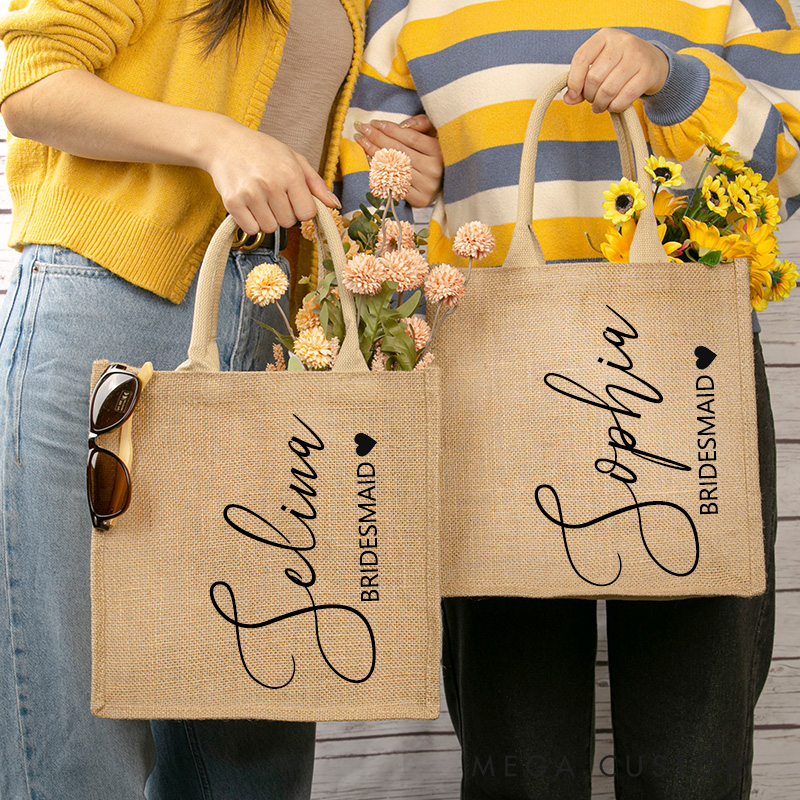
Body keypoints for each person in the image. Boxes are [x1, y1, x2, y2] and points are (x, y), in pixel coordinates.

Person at [342, 2, 800, 798]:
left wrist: (677, 78)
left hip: (687, 378)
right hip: (496, 391)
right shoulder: (406, 9)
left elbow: (788, 168)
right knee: (517, 763)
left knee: (694, 764)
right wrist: (402, 189)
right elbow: (361, 230)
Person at [0, 0, 438, 797]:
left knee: (253, 704)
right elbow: (28, 79)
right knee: (83, 731)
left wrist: (380, 158)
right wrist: (216, 140)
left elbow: (280, 115)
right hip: (110, 300)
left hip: (272, 320)